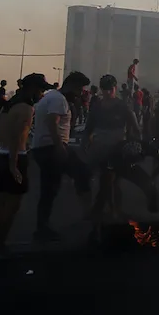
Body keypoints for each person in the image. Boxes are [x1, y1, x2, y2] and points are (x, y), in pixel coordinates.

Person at [0, 73, 46, 259]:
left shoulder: (8, 106)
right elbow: (17, 137)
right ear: (33, 89)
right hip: (13, 157)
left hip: (0, 155)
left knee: (2, 205)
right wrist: (14, 165)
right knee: (11, 207)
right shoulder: (26, 109)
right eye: (41, 90)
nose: (42, 94)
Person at [82, 74, 158, 232]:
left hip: (118, 150)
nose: (108, 92)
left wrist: (136, 145)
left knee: (117, 180)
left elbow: (134, 126)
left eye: (110, 89)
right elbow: (89, 128)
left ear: (115, 88)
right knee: (108, 181)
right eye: (105, 89)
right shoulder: (97, 106)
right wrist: (86, 145)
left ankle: (113, 210)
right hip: (100, 149)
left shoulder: (122, 106)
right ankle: (111, 211)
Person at [31, 71, 91, 242]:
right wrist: (59, 146)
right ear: (70, 86)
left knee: (49, 189)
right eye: (79, 89)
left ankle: (42, 227)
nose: (79, 94)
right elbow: (52, 122)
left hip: (44, 148)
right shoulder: (59, 100)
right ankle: (88, 214)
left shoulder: (52, 97)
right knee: (81, 173)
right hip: (51, 148)